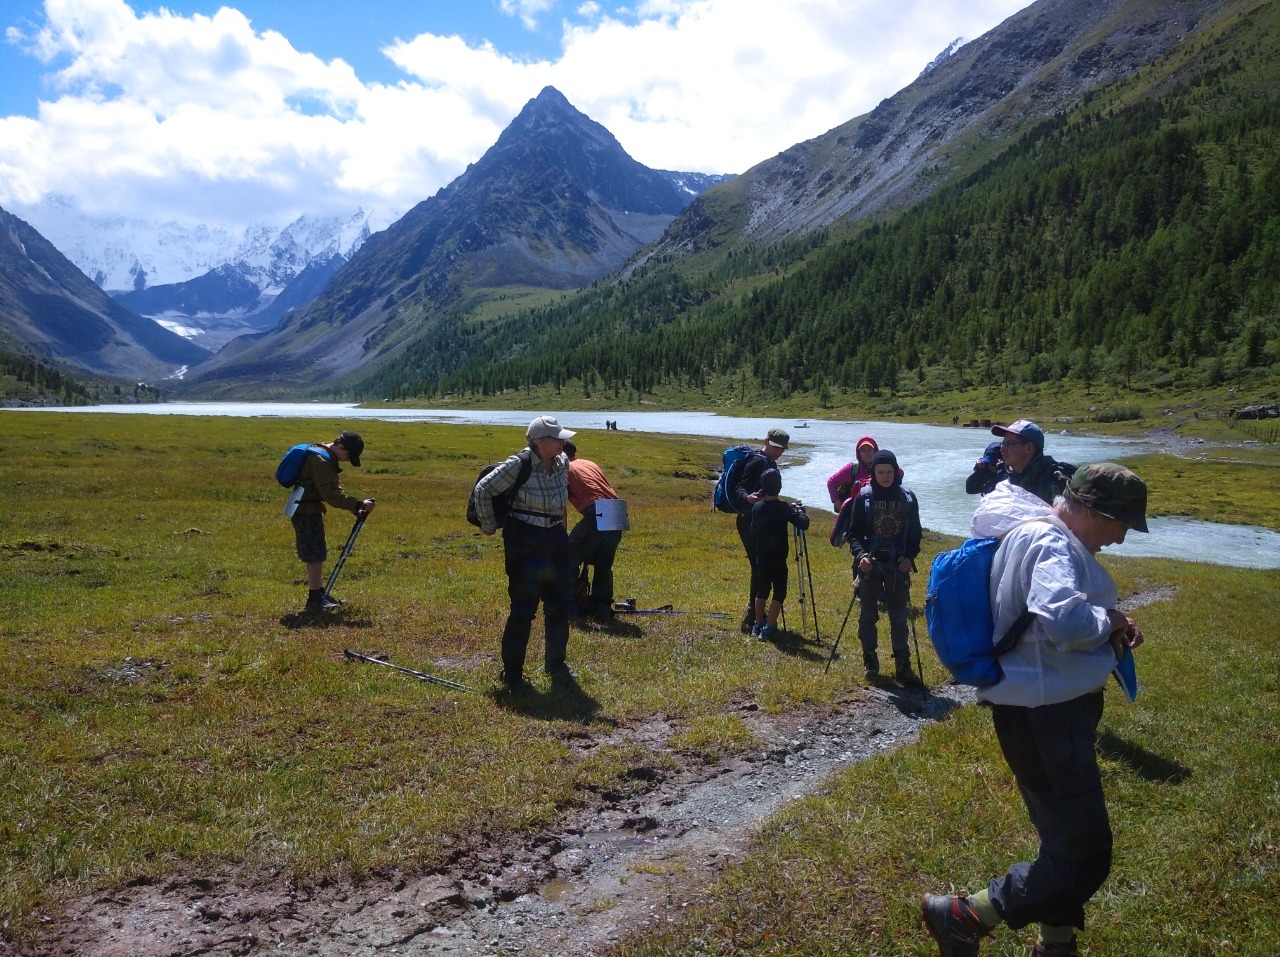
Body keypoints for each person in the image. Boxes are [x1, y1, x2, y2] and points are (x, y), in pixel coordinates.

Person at [922, 464, 1150, 957]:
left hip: (1031, 708)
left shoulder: (1031, 532)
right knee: (1088, 856)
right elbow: (1063, 618)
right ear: (1092, 510)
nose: (1122, 538)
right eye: (1122, 525)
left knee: (1062, 839)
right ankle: (967, 914)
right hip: (1051, 713)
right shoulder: (1051, 543)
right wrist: (1109, 618)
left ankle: (1056, 943)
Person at [473, 415, 575, 692]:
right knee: (523, 609)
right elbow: (484, 489)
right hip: (524, 542)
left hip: (554, 539)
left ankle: (556, 664)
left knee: (559, 605)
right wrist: (488, 525)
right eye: (558, 438)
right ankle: (513, 674)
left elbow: (561, 501)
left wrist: (561, 533)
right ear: (539, 442)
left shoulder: (563, 462)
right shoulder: (519, 464)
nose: (564, 442)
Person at [843, 449, 922, 685]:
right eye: (880, 472)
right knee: (868, 615)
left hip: (899, 566)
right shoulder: (863, 497)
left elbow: (916, 534)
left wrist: (910, 557)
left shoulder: (908, 498)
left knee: (899, 618)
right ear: (873, 472)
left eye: (889, 472)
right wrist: (861, 557)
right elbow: (854, 534)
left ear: (896, 471)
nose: (885, 476)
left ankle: (903, 665)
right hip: (870, 565)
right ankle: (870, 660)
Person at [290, 431, 376, 613]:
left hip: (307, 507)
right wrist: (357, 505)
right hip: (306, 510)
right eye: (348, 455)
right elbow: (332, 495)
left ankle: (319, 592)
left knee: (317, 551)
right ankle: (314, 599)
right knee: (314, 553)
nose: (346, 460)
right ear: (340, 446)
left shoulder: (319, 451)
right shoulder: (320, 460)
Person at [731, 428, 790, 633]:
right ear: (766, 441)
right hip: (749, 520)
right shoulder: (756, 461)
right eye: (775, 448)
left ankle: (757, 616)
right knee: (759, 567)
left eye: (782, 449)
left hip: (760, 520)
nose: (778, 452)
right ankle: (752, 617)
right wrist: (747, 498)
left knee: (761, 566)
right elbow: (739, 488)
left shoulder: (771, 463)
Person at [564, 439, 624, 621]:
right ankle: (602, 608)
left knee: (568, 557)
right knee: (604, 564)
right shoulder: (589, 463)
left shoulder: (564, 469)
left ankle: (569, 607)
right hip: (617, 510)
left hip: (597, 511)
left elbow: (560, 504)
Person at [749, 469, 809, 638]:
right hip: (778, 557)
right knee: (780, 591)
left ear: (763, 487)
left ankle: (757, 624)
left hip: (761, 556)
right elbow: (803, 524)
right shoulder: (784, 508)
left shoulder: (757, 507)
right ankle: (769, 627)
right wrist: (802, 512)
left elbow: (753, 531)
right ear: (780, 487)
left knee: (762, 590)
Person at [990, 419, 1075, 504]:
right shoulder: (1009, 478)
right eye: (1003, 443)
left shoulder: (1055, 479)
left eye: (1010, 443)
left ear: (1028, 448)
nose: (1002, 449)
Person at [826, 435, 880, 511]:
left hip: (877, 511)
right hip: (854, 513)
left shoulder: (883, 466)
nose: (867, 453)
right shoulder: (851, 469)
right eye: (863, 450)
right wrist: (837, 503)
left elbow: (900, 473)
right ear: (859, 453)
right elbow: (831, 482)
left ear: (875, 451)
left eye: (870, 450)